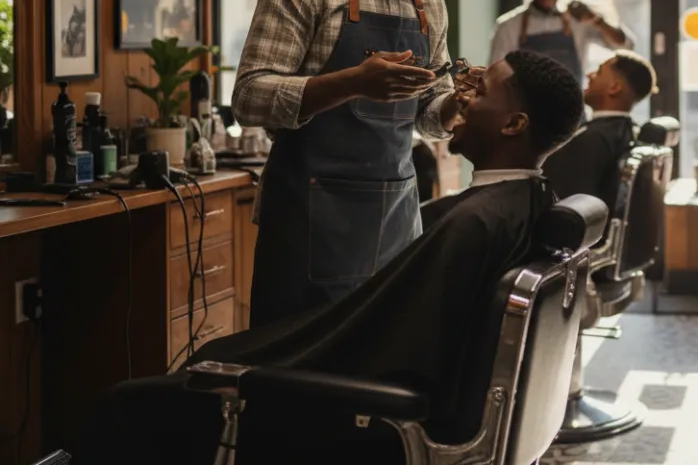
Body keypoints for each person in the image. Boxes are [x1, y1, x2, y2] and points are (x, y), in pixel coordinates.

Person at [69, 50, 586, 464]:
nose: (463, 96)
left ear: (514, 124)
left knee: (130, 403)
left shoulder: (477, 221)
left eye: (481, 91)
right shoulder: (523, 206)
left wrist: (240, 371)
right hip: (388, 394)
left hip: (362, 414)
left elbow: (392, 358)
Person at [231, 0, 473, 328]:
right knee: (301, 385)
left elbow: (429, 113)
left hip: (395, 224)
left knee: (379, 371)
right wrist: (353, 84)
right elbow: (250, 98)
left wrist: (455, 105)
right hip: (307, 225)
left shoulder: (428, 0)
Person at [488, 0, 635, 84]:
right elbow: (495, 76)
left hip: (573, 111)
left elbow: (625, 46)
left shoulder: (578, 22)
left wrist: (596, 20)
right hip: (527, 112)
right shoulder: (509, 26)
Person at [542, 50, 657, 215]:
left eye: (599, 72)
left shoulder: (591, 139)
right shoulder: (626, 132)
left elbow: (562, 207)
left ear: (614, 87)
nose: (589, 75)